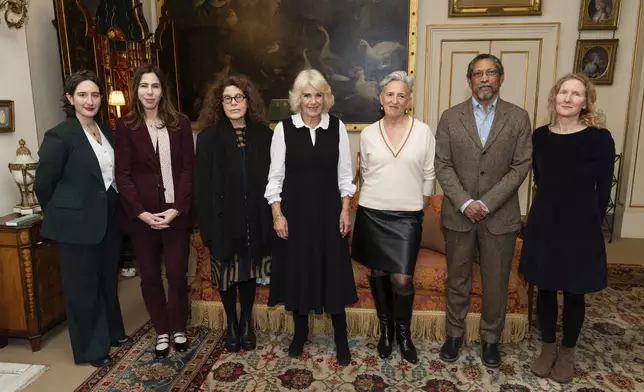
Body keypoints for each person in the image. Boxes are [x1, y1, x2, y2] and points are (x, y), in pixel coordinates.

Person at [435, 54, 532, 368]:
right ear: (470, 80)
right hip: (458, 215)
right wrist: (465, 203)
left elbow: (520, 167)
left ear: (501, 78)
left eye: (491, 72)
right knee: (458, 279)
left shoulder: (518, 118)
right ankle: (454, 334)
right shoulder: (450, 118)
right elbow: (443, 165)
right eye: (478, 74)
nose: (485, 79)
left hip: (499, 217)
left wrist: (487, 203)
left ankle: (491, 339)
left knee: (496, 280)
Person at [519, 73, 615, 384]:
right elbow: (540, 180)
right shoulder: (539, 137)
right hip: (545, 221)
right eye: (563, 92)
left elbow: (603, 191)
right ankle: (548, 347)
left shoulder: (599, 138)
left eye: (576, 94)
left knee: (574, 291)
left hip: (581, 226)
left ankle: (568, 351)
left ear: (585, 101)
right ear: (555, 96)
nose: (568, 98)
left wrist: (591, 223)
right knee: (545, 286)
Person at [34, 70, 128, 368]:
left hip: (109, 220)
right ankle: (91, 349)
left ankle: (112, 332)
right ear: (70, 98)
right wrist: (64, 212)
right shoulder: (60, 135)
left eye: (95, 95)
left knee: (106, 282)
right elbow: (43, 184)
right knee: (83, 288)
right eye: (83, 95)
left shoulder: (105, 130)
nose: (90, 101)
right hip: (76, 225)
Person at [265, 69, 357, 366]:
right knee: (299, 272)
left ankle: (341, 338)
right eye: (307, 95)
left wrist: (345, 210)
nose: (313, 101)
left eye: (318, 95)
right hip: (296, 215)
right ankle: (299, 334)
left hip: (330, 214)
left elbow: (345, 175)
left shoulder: (337, 128)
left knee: (334, 272)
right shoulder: (283, 129)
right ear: (298, 98)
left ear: (325, 98)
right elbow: (275, 177)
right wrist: (277, 215)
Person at [351, 70, 435, 364]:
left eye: (401, 95)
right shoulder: (368, 133)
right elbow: (365, 176)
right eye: (389, 94)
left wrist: (418, 207)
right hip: (372, 212)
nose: (395, 100)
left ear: (409, 100)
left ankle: (404, 332)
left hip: (407, 217)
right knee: (379, 273)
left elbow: (428, 174)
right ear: (380, 98)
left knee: (402, 279)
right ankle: (385, 330)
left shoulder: (423, 131)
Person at [114, 64, 194, 359]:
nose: (149, 92)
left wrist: (176, 209)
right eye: (144, 86)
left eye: (155, 86)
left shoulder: (180, 123)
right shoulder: (126, 126)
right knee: (148, 276)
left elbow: (188, 169)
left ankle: (178, 327)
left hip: (176, 215)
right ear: (136, 90)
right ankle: (161, 330)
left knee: (176, 274)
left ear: (163, 91)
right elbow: (122, 175)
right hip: (142, 219)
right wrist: (141, 213)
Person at [194, 75, 273, 352]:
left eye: (239, 97)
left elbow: (274, 180)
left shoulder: (265, 135)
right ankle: (231, 323)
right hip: (222, 220)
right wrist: (206, 226)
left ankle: (246, 322)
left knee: (249, 272)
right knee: (226, 273)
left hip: (255, 218)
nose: (233, 103)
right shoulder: (207, 137)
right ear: (220, 103)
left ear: (248, 100)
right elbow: (201, 187)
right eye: (227, 98)